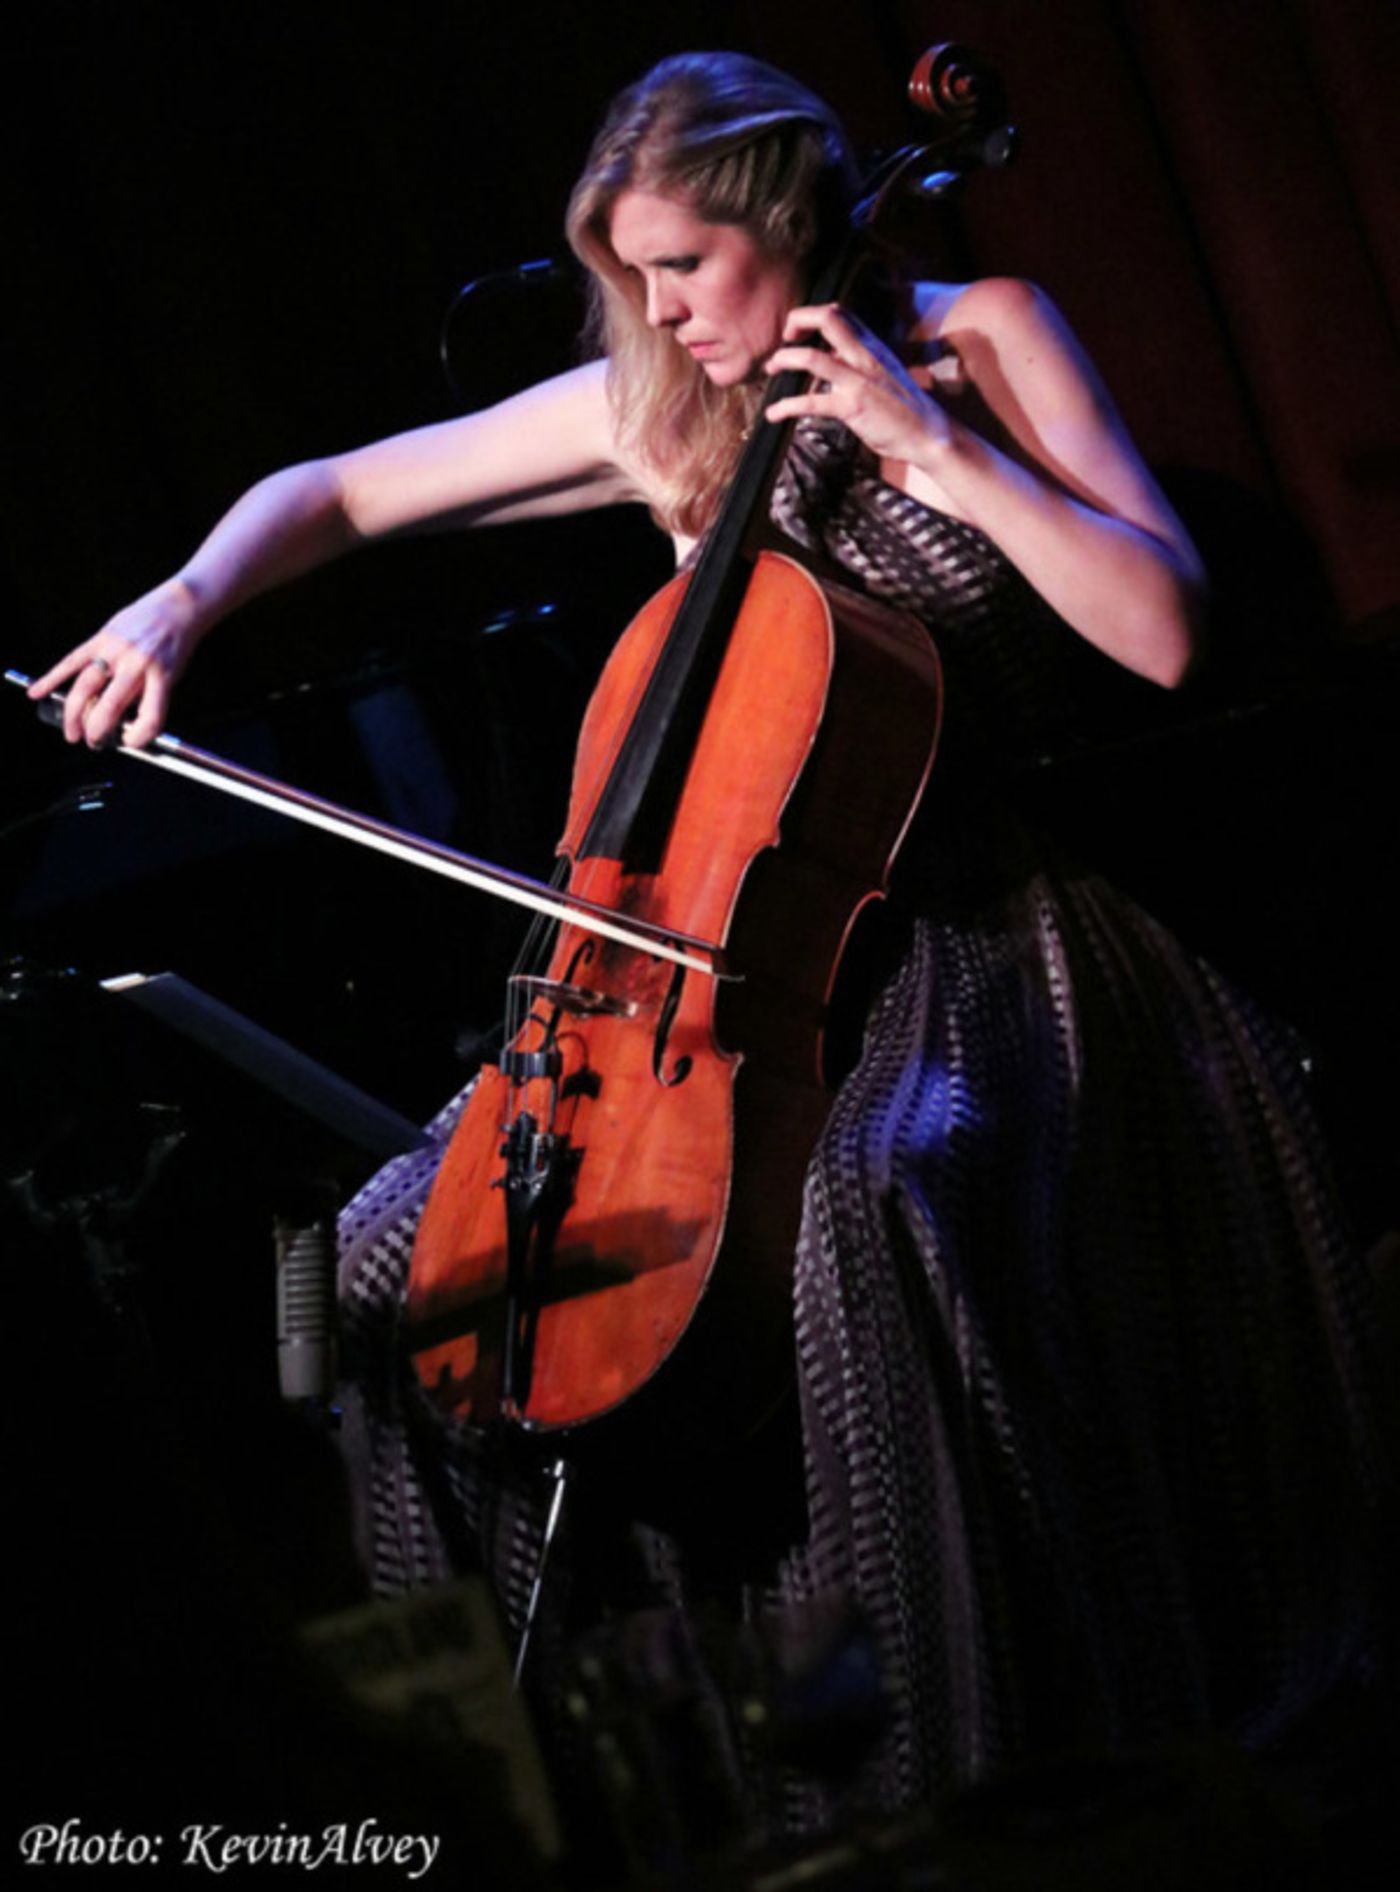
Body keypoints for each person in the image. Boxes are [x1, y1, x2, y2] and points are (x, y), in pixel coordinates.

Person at [30, 49, 1385, 1850]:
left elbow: (1163, 634)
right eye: (636, 281)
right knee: (372, 1285)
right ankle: (587, 1794)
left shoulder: (981, 332)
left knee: (871, 1216)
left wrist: (935, 448)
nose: (660, 312)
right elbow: (338, 490)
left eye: (686, 268)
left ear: (790, 219)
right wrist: (176, 605)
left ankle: (956, 1789)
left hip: (982, 939)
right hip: (704, 984)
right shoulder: (661, 406)